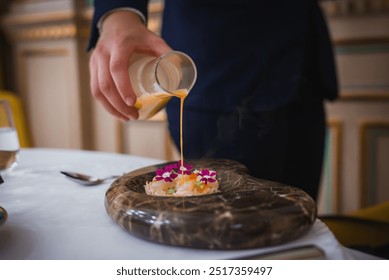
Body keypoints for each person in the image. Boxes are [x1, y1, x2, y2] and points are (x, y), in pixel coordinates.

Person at [87, 0, 338, 200]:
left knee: (300, 224)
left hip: (305, 64)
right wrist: (118, 13)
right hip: (218, 72)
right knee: (220, 235)